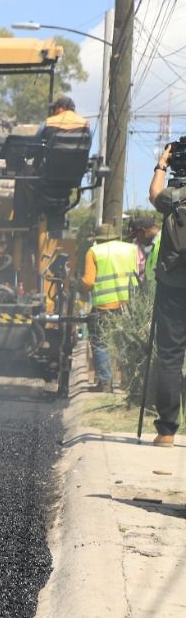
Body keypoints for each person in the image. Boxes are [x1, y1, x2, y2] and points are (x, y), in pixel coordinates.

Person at [148, 144, 186, 446]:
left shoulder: (174, 198)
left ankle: (166, 432)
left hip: (173, 287)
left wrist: (161, 165)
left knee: (171, 358)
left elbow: (153, 195)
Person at [79, 224, 139, 393]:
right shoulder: (132, 249)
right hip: (129, 305)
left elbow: (89, 282)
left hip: (104, 306)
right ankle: (129, 382)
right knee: (127, 343)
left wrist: (81, 285)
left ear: (97, 239)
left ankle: (105, 383)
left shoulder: (94, 252)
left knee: (100, 343)